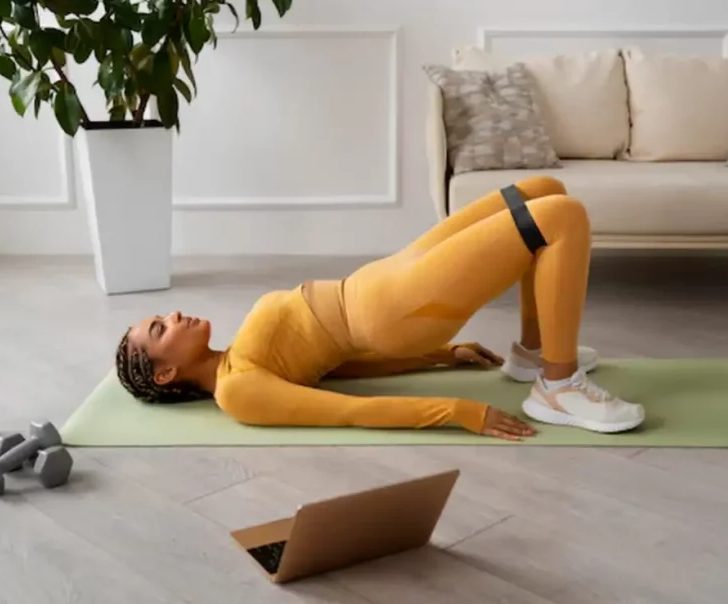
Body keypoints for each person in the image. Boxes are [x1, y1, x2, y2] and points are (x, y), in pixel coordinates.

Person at [115, 176, 645, 441]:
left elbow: (336, 367)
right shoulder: (236, 392)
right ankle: (557, 386)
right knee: (560, 217)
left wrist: (441, 357)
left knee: (541, 190)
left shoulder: (237, 358)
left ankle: (533, 352)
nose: (174, 315)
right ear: (165, 373)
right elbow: (348, 410)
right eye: (160, 329)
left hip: (383, 278)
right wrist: (459, 411)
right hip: (392, 309)